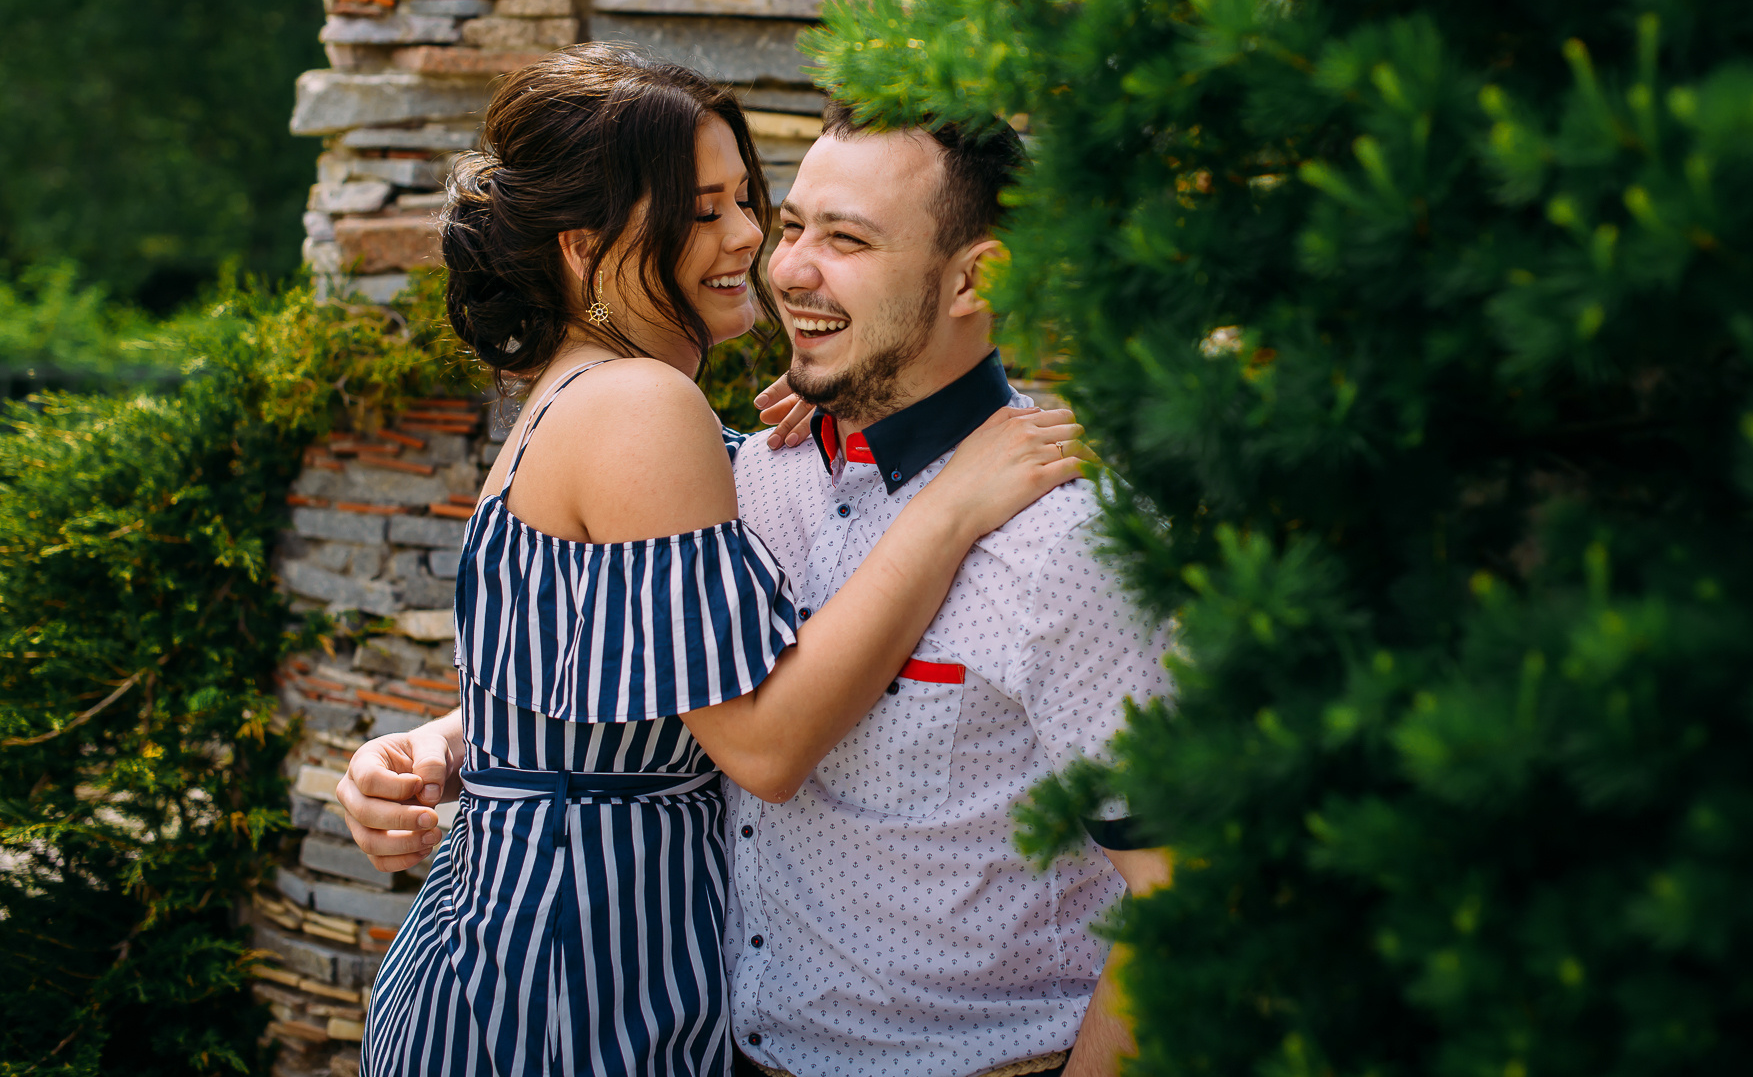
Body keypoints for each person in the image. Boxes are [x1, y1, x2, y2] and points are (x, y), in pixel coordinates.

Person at [344, 98, 1175, 1077]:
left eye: (844, 239)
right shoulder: (743, 475)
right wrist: (453, 746)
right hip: (668, 1037)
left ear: (974, 279)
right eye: (791, 225)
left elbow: (1192, 887)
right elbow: (646, 682)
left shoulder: (1069, 538)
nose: (777, 262)